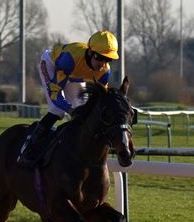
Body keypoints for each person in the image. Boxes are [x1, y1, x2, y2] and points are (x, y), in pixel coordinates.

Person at [16, 30, 118, 169]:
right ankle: (30, 145)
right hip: (52, 65)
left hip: (73, 75)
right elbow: (55, 94)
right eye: (99, 57)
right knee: (57, 109)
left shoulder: (104, 71)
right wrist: (70, 109)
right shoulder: (69, 59)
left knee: (82, 107)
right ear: (89, 52)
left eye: (108, 59)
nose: (103, 63)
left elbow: (100, 99)